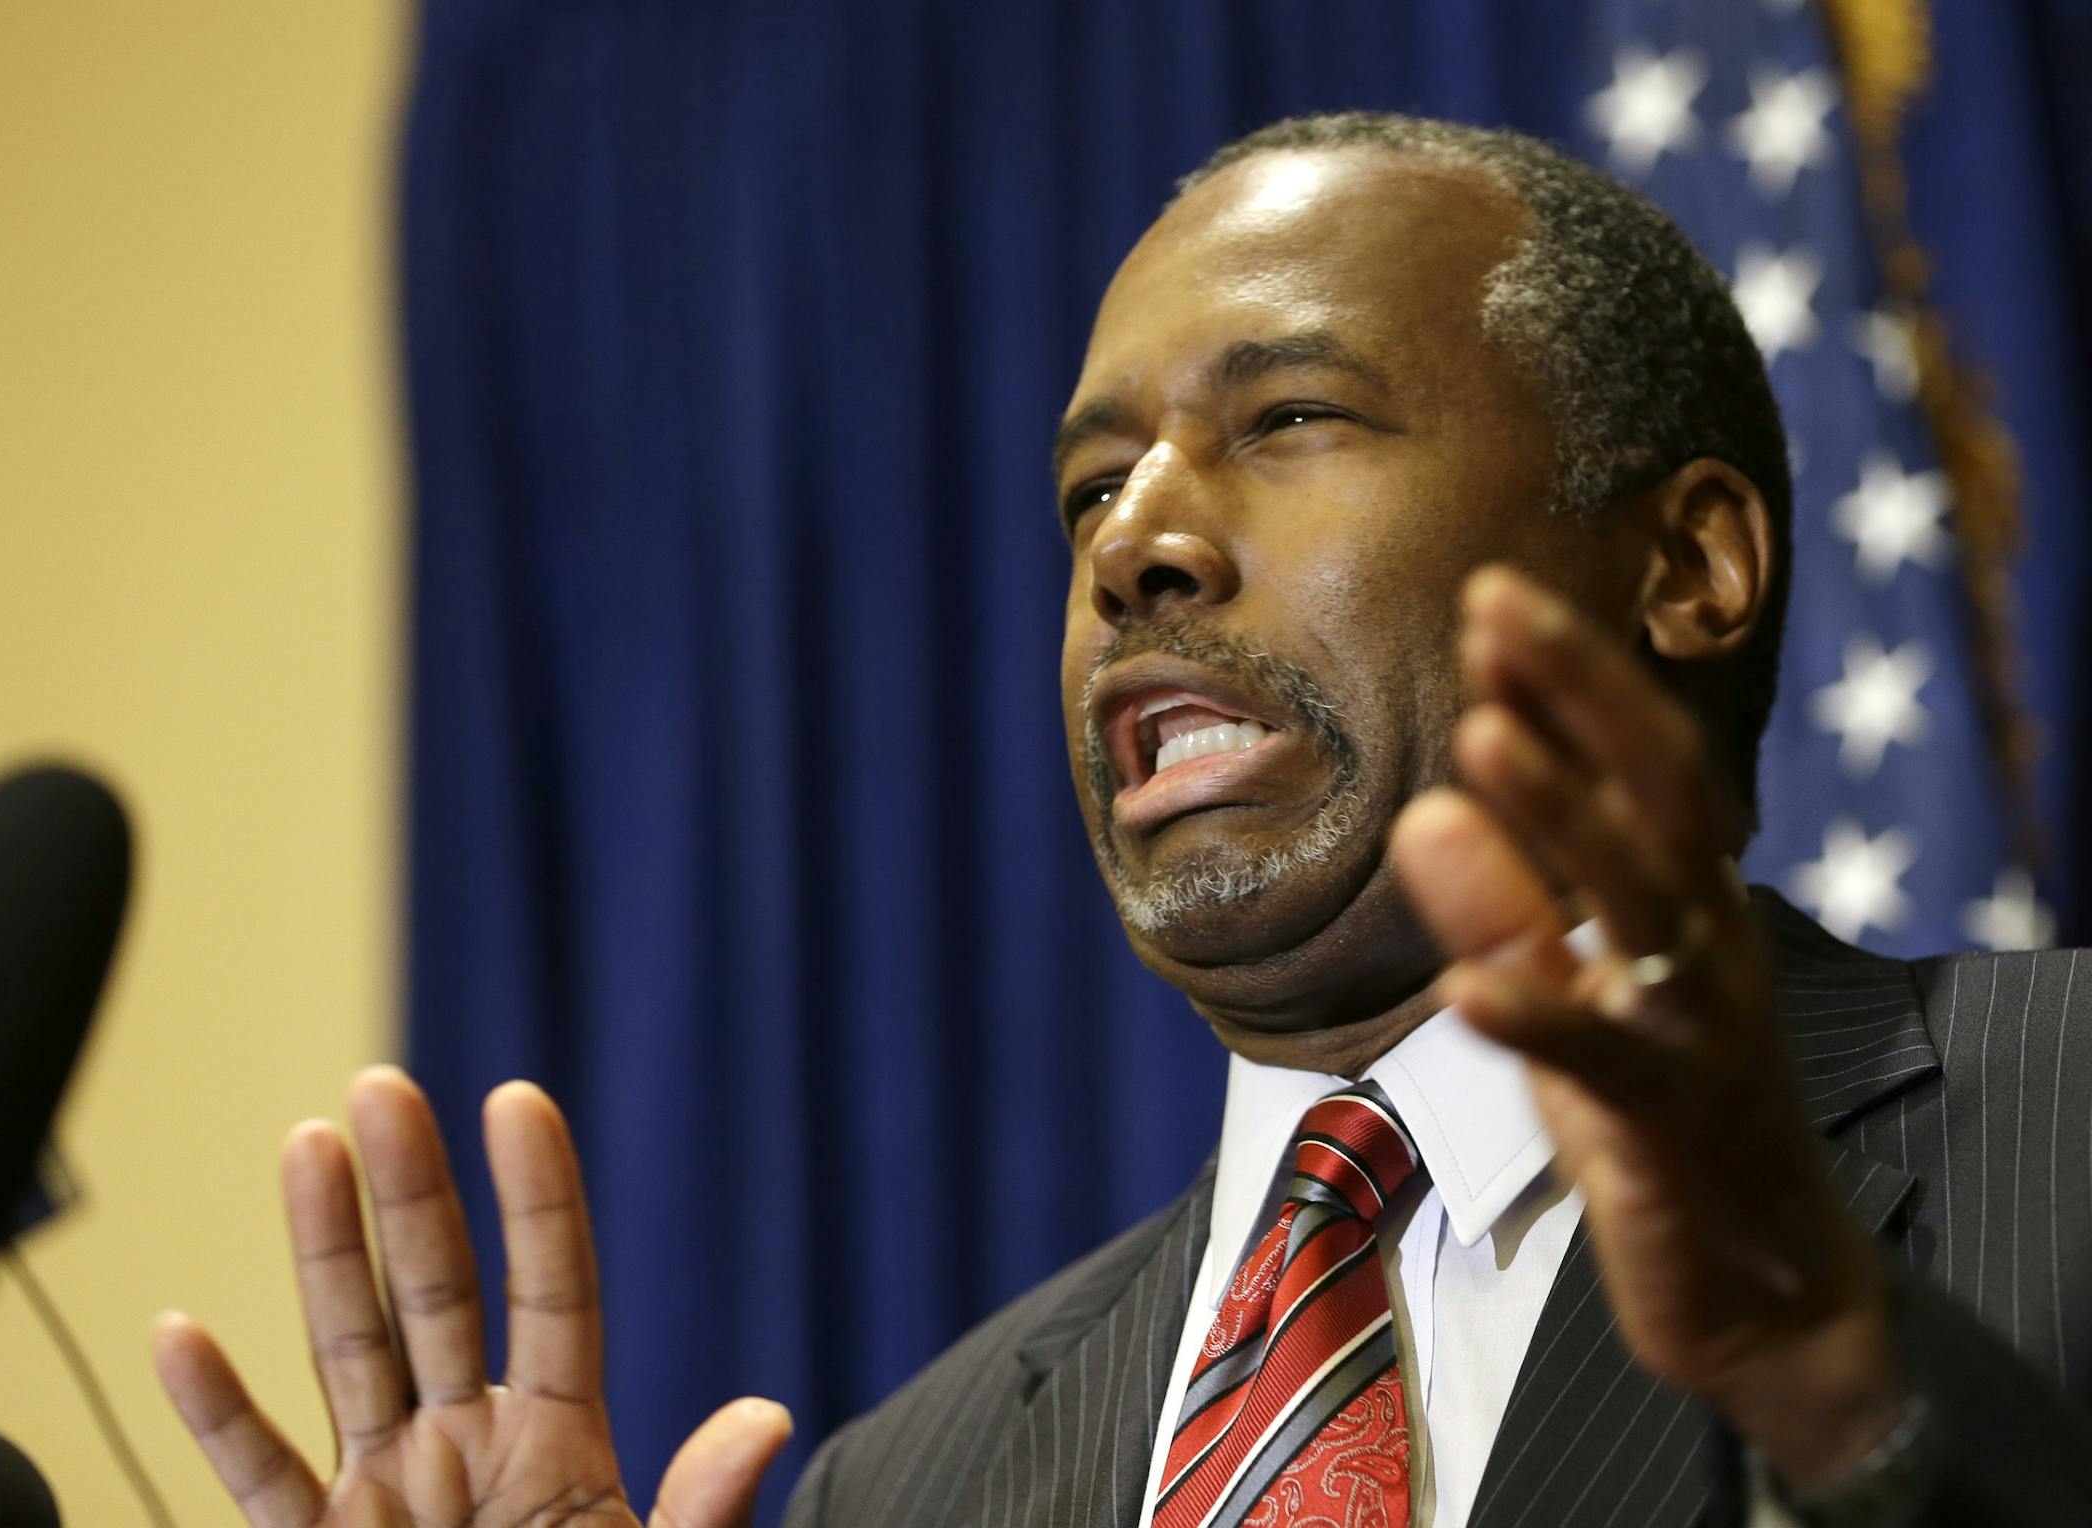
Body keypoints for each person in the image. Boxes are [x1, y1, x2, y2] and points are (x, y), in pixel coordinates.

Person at [152, 113, 2092, 1527]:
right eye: (1091, 489)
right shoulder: (907, 1482)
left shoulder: (2063, 1119)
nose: (1137, 543)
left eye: (1293, 416)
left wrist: (1855, 1391)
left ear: (1685, 563)